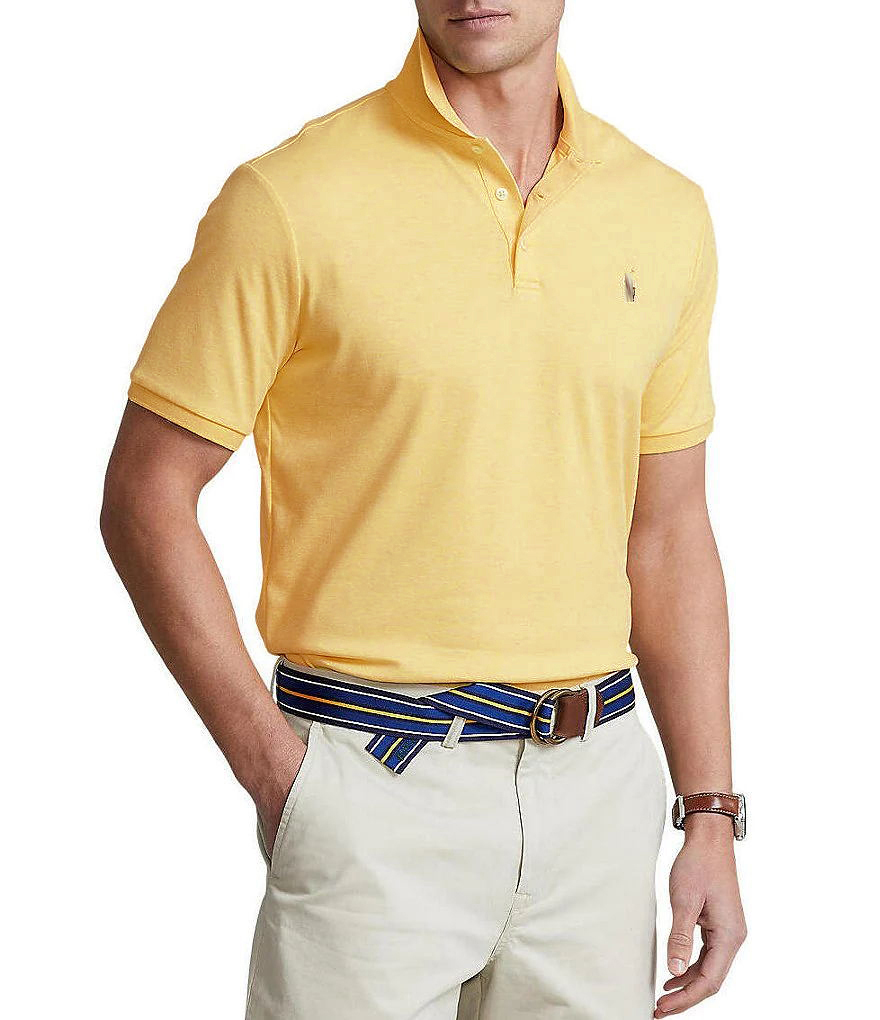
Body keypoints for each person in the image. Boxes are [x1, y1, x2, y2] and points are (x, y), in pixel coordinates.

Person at [101, 3, 747, 1017]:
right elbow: (145, 494)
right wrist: (276, 772)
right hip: (372, 788)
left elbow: (668, 533)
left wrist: (708, 810)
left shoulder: (663, 212)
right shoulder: (291, 199)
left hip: (598, 802)